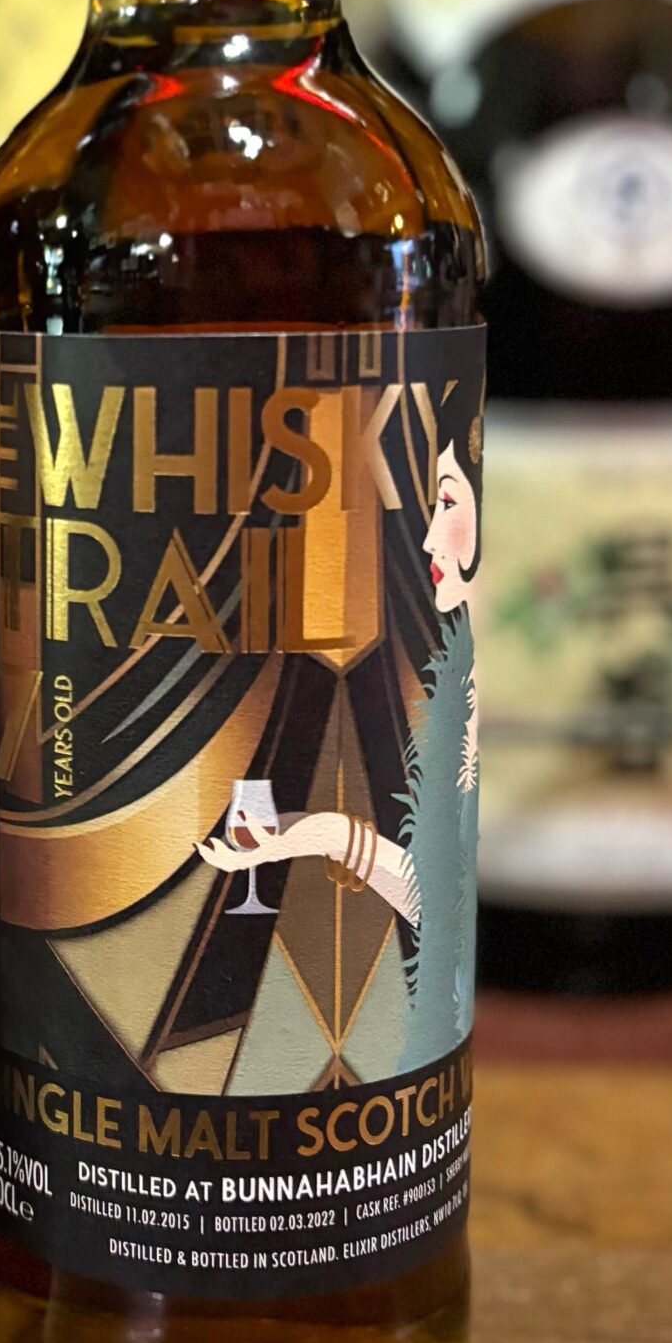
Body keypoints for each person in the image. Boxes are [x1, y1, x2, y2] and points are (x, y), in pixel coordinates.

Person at [227, 409, 481, 1091]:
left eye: (447, 501)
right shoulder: (449, 675)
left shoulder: (457, 678)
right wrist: (308, 836)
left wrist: (313, 837)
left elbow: (436, 907)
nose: (428, 534)